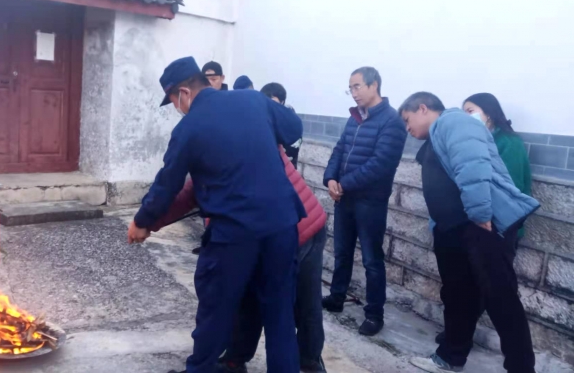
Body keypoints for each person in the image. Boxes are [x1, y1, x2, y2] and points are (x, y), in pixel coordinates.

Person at [127, 56, 306, 373]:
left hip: (234, 234)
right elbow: (293, 128)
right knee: (279, 314)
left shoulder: (189, 128)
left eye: (173, 101)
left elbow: (167, 184)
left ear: (184, 93)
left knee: (216, 310)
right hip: (281, 225)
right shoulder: (253, 99)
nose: (177, 109)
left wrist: (142, 221)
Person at [150, 145, 329, 373]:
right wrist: (149, 220)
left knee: (302, 303)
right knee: (248, 296)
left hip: (301, 226)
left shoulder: (233, 142)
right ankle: (235, 359)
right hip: (265, 230)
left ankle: (309, 361)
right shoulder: (234, 137)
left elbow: (189, 193)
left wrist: (146, 221)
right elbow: (193, 191)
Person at [399, 92, 538, 373]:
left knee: (500, 298)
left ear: (423, 108)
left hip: (478, 227)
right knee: (459, 295)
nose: (407, 127)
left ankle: (521, 368)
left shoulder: (453, 122)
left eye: (407, 119)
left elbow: (472, 166)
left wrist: (480, 213)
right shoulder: (439, 132)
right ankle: (450, 357)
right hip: (455, 230)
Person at [434, 92, 533, 345]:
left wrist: (481, 215)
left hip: (499, 227)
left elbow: (507, 189)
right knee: (468, 285)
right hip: (476, 225)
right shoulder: (469, 138)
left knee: (494, 289)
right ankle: (458, 338)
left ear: (489, 113)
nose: (467, 117)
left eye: (471, 111)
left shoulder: (508, 143)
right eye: (464, 112)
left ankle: (466, 341)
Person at [321, 67, 407, 336]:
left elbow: (380, 164)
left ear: (374, 85)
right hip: (345, 198)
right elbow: (339, 149)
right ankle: (337, 297)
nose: (353, 93)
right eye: (350, 88)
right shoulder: (355, 117)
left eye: (357, 86)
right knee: (342, 252)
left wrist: (343, 184)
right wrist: (330, 178)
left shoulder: (392, 121)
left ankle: (374, 314)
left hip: (370, 202)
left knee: (371, 259)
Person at [260, 82, 301, 168]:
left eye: (273, 102)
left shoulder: (290, 122)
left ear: (282, 102)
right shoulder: (264, 117)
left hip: (286, 168)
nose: (270, 106)